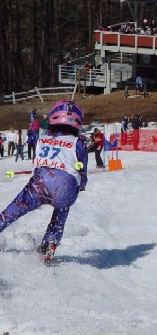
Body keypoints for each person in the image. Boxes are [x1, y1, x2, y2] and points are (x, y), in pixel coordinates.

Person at [0, 100, 88, 263]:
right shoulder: (79, 143)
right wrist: (81, 186)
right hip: (65, 188)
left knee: (15, 209)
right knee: (62, 210)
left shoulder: (43, 138)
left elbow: (37, 158)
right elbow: (82, 172)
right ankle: (50, 244)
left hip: (39, 184)